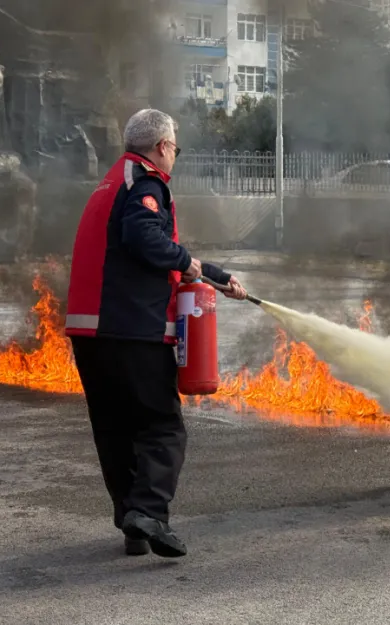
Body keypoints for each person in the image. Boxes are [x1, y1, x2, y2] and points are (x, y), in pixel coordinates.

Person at [64, 108, 248, 558]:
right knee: (162, 427)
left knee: (114, 430)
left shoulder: (113, 181)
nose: (175, 156)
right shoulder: (146, 183)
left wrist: (212, 275)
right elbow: (145, 239)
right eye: (176, 147)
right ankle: (148, 511)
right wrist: (189, 265)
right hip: (133, 331)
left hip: (92, 334)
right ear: (163, 147)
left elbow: (147, 254)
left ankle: (132, 524)